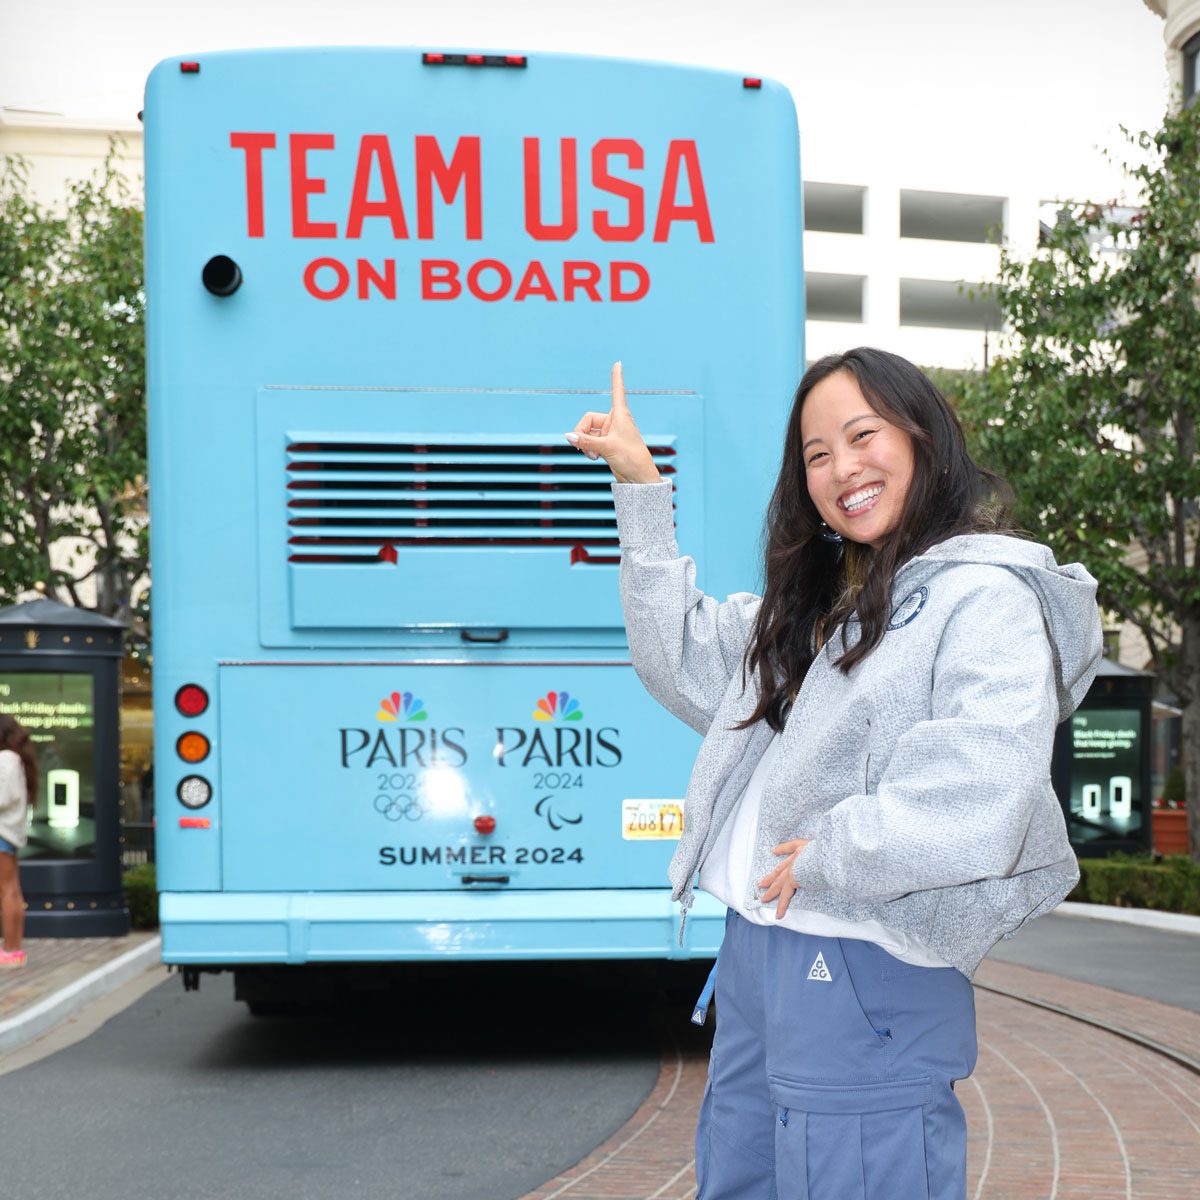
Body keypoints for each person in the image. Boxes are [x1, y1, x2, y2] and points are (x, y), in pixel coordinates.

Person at [564, 350, 1101, 1200]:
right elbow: (680, 654)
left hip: (857, 956)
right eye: (816, 454)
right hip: (757, 952)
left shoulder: (985, 599)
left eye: (863, 436)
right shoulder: (827, 606)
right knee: (741, 1176)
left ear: (925, 439)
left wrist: (829, 853)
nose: (841, 468)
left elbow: (982, 788)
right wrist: (640, 489)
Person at [0, 712, 36, 967]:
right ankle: (13, 949)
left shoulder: (6, 760)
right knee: (11, 890)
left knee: (8, 891)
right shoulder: (15, 759)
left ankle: (11, 950)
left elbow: (3, 797)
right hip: (7, 834)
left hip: (1, 833)